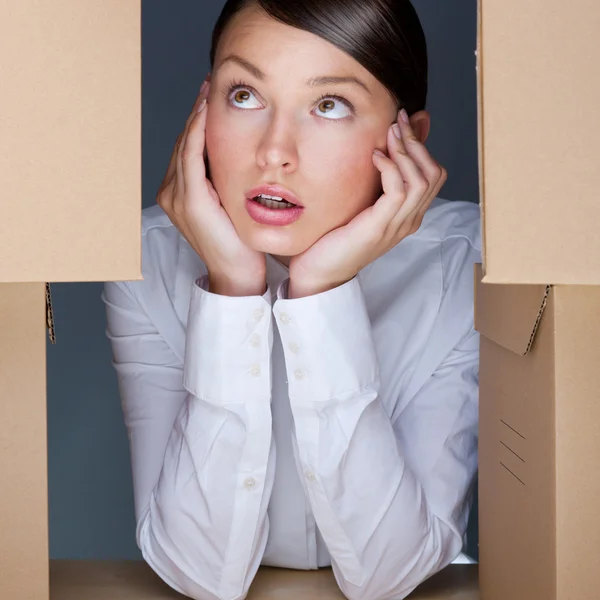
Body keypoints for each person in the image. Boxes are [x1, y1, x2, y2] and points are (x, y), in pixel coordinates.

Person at [102, 1, 481, 599]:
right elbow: (195, 571)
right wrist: (231, 289)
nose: (275, 151)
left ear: (410, 138)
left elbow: (392, 574)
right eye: (245, 95)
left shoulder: (466, 264)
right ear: (203, 107)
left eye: (329, 105)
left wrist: (322, 291)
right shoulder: (143, 259)